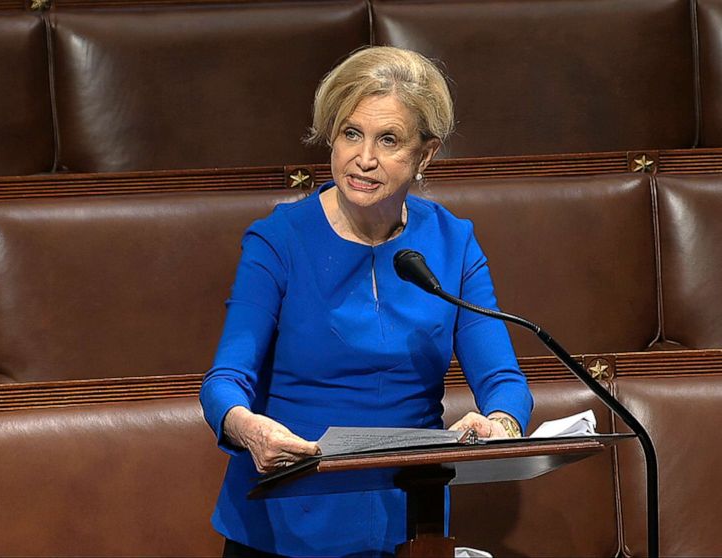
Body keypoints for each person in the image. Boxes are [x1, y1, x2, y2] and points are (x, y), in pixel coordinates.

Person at [199, 46, 532, 557]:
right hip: (285, 518)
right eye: (351, 133)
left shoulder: (453, 242)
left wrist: (500, 425)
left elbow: (503, 382)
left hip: (410, 519)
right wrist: (248, 428)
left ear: (426, 154)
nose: (365, 158)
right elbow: (225, 382)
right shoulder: (278, 240)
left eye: (389, 140)